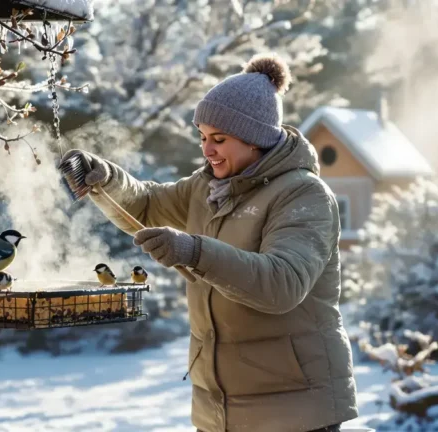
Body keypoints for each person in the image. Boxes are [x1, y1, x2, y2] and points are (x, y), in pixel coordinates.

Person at [60, 53, 358, 432]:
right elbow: (149, 204)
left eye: (220, 139)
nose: (207, 149)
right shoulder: (209, 188)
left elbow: (282, 284)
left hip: (296, 410)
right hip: (220, 412)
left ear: (257, 140)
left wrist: (194, 251)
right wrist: (107, 180)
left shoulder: (303, 195)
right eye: (202, 137)